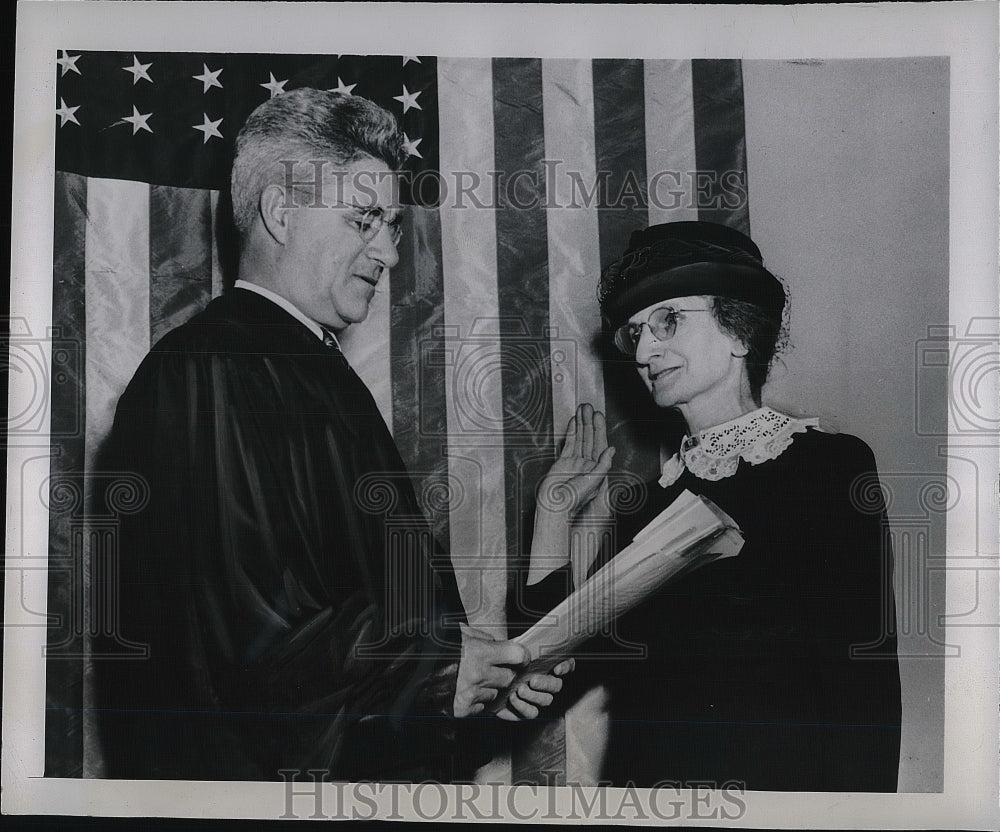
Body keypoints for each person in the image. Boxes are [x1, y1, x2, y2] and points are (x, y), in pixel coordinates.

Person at [94, 89, 570, 783]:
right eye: (364, 220)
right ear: (282, 214)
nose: (390, 252)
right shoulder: (209, 368)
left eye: (394, 224)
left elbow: (359, 612)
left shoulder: (301, 365)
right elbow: (247, 636)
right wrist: (436, 670)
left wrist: (479, 681)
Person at [527, 220, 901, 791]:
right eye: (635, 333)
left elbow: (863, 683)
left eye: (668, 320)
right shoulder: (645, 506)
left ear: (740, 331)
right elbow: (561, 665)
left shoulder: (828, 468)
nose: (645, 349)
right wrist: (552, 516)